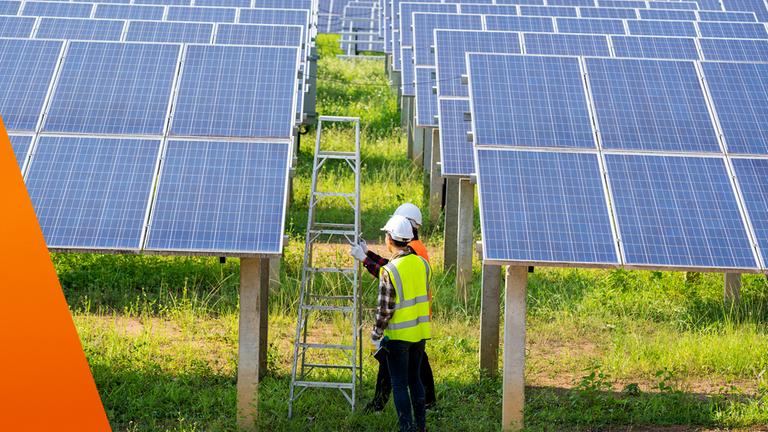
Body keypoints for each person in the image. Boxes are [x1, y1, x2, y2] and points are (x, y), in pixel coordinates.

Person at [350, 204, 437, 413]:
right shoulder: (413, 247)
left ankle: (384, 406)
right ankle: (427, 403)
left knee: (399, 367)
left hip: (406, 319)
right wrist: (368, 253)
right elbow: (390, 266)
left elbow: (389, 275)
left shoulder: (414, 250)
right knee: (416, 365)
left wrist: (364, 259)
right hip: (417, 317)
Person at [365, 215, 431, 432]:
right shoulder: (422, 264)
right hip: (419, 334)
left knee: (399, 384)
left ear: (391, 239)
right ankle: (420, 427)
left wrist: (375, 336)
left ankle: (407, 428)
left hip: (397, 338)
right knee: (415, 381)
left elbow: (385, 311)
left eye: (386, 235)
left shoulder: (390, 270)